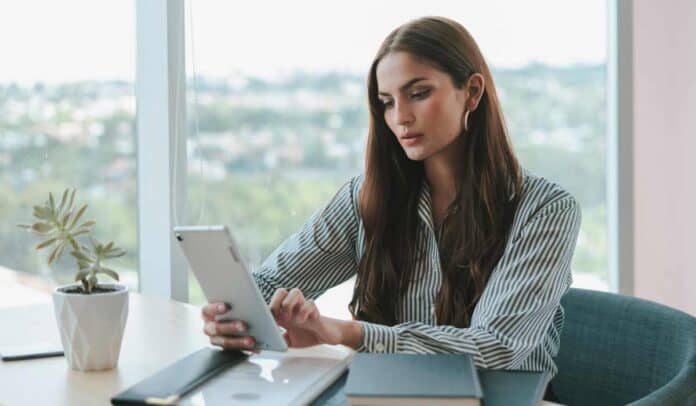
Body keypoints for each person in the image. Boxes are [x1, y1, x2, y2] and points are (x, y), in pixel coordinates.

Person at [201, 16, 581, 380]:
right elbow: (270, 284)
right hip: (387, 392)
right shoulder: (367, 197)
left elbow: (495, 347)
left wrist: (348, 333)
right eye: (386, 101)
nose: (400, 117)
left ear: (473, 92)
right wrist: (234, 318)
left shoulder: (545, 209)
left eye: (418, 94)